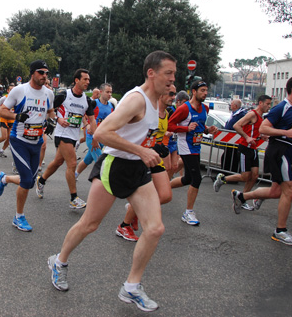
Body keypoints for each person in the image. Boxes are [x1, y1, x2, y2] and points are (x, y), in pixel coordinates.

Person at [47, 51, 175, 313]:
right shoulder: (136, 100)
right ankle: (59, 262)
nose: (173, 79)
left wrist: (144, 151)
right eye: (168, 73)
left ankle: (131, 286)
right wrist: (141, 150)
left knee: (155, 228)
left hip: (137, 169)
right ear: (151, 73)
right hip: (114, 166)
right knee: (90, 224)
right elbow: (102, 132)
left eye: (174, 73)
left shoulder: (154, 100)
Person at [231, 76, 292, 245]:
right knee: (289, 190)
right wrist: (285, 133)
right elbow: (264, 127)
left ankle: (242, 197)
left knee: (276, 192)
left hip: (290, 151)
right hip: (280, 152)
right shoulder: (282, 107)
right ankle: (280, 231)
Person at [0, 60, 55, 232]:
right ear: (32, 73)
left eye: (46, 73)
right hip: (19, 140)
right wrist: (17, 116)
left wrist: (51, 121)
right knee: (28, 180)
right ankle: (18, 217)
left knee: (27, 182)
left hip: (36, 142)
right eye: (41, 72)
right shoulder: (20, 90)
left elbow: (50, 111)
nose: (44, 76)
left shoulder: (49, 94)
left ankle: (4, 178)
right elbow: (2, 111)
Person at [116, 83, 176, 242]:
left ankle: (133, 209)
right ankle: (124, 225)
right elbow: (136, 133)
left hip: (155, 156)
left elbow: (160, 135)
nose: (173, 97)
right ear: (161, 94)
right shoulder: (149, 110)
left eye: (174, 94)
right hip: (142, 157)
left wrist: (164, 148)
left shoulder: (166, 113)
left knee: (166, 195)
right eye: (170, 94)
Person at [36, 69, 97, 209]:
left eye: (88, 80)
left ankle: (41, 180)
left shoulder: (86, 100)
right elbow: (48, 110)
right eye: (85, 79)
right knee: (72, 163)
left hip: (74, 136)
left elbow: (92, 120)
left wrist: (95, 136)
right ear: (76, 80)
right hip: (62, 133)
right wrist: (58, 119)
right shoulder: (64, 95)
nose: (88, 82)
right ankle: (73, 198)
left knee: (58, 162)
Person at [168, 80, 218, 225]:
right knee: (197, 178)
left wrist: (209, 130)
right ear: (194, 92)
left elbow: (201, 127)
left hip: (196, 146)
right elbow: (170, 124)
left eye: (206, 90)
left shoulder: (205, 108)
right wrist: (186, 129)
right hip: (185, 146)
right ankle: (188, 212)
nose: (205, 93)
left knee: (188, 179)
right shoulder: (184, 109)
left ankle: (161, 189)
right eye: (202, 90)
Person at [216, 95, 272, 211]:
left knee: (254, 176)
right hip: (245, 147)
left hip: (253, 148)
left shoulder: (261, 117)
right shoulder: (252, 114)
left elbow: (254, 132)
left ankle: (242, 199)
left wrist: (262, 136)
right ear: (260, 103)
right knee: (245, 176)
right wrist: (246, 137)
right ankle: (222, 179)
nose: (269, 106)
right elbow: (237, 125)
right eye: (267, 104)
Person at [74, 83, 114, 179]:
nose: (109, 94)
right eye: (107, 92)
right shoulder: (93, 103)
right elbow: (82, 114)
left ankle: (74, 175)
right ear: (101, 92)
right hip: (92, 138)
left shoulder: (112, 106)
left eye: (111, 92)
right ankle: (102, 186)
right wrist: (87, 125)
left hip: (103, 138)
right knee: (101, 163)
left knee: (88, 160)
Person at [167, 91, 189, 179]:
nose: (185, 105)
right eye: (184, 103)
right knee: (167, 166)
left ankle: (166, 183)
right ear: (178, 101)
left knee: (174, 166)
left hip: (175, 141)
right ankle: (161, 185)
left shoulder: (184, 112)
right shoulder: (170, 110)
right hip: (166, 142)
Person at [0, 83, 15, 158]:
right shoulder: (4, 98)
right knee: (4, 136)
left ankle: (2, 150)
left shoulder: (17, 100)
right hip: (4, 119)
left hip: (12, 120)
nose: (12, 92)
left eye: (14, 90)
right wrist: (0, 112)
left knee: (10, 137)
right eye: (11, 90)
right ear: (8, 90)